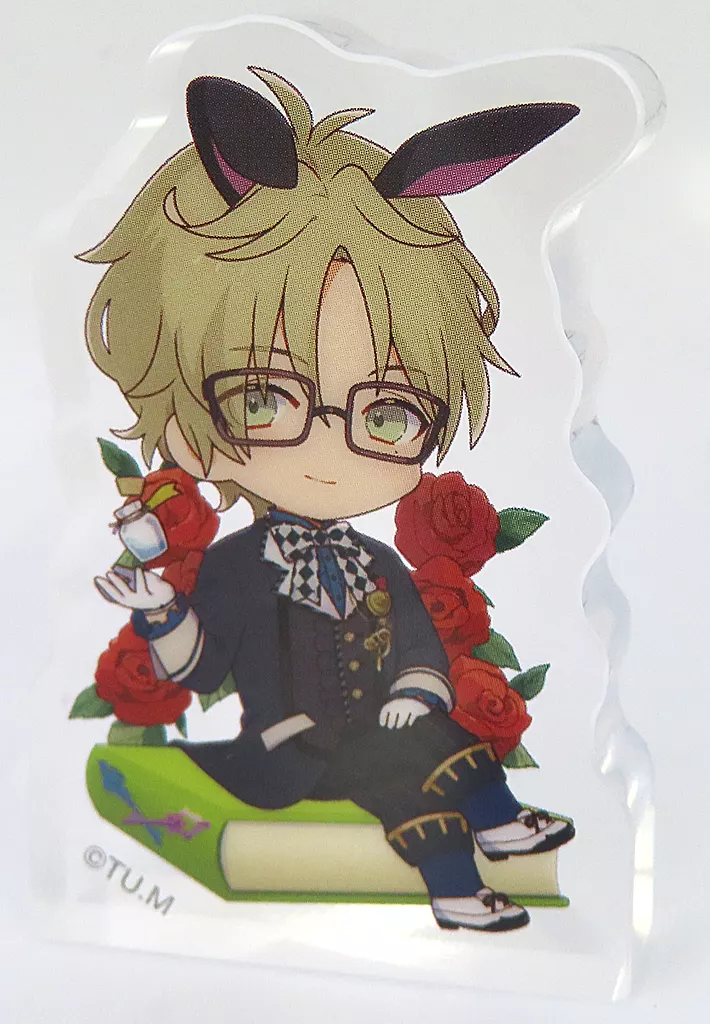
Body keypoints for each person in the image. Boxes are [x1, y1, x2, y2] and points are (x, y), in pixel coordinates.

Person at [87, 69, 577, 931]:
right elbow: (199, 669)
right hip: (286, 754)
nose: (329, 451)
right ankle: (457, 887)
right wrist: (158, 607)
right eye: (262, 399)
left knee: (426, 740)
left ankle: (495, 832)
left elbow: (418, 648)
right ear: (195, 425)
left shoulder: (374, 561)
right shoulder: (239, 566)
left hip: (378, 732)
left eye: (386, 414)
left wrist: (416, 689)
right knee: (399, 770)